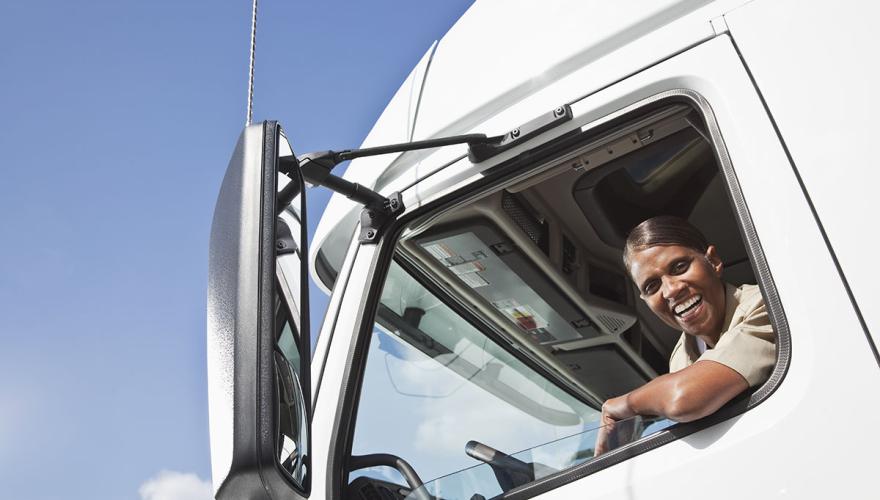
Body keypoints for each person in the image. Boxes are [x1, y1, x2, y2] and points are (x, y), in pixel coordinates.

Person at [594, 215, 775, 455]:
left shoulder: (767, 306)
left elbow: (682, 398)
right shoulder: (680, 357)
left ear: (713, 261)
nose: (671, 290)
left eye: (679, 267)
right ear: (645, 301)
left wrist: (618, 405)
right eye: (652, 286)